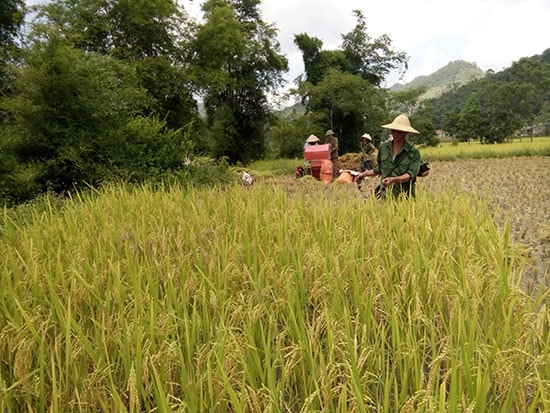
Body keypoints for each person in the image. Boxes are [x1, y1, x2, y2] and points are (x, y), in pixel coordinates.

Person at [355, 114, 421, 199]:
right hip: (385, 195)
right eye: (393, 131)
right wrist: (364, 174)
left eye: (399, 131)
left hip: (404, 196)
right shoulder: (384, 148)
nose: (396, 134)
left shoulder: (413, 152)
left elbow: (410, 175)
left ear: (406, 133)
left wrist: (394, 180)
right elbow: (379, 168)